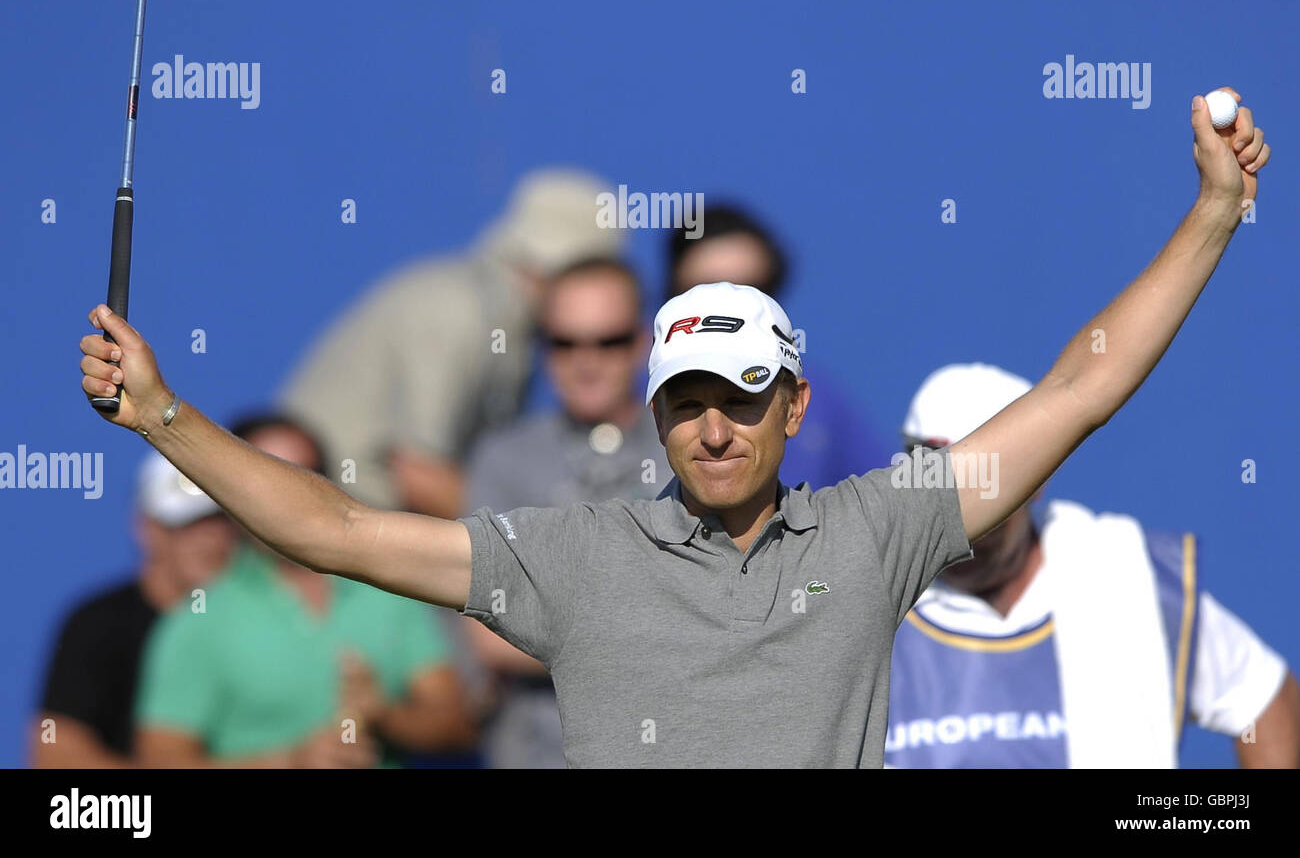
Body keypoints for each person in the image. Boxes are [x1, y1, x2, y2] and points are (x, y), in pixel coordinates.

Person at [79, 91, 1271, 767]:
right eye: (688, 400)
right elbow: (337, 525)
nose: (713, 426)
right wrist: (161, 414)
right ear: (656, 418)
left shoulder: (870, 532)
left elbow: (1079, 388)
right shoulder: (577, 557)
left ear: (794, 407)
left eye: (742, 396)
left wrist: (1214, 213)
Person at [885, 363, 1300, 769]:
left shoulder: (1128, 578)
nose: (955, 500)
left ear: (1037, 477)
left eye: (981, 476)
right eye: (931, 469)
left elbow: (1260, 696)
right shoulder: (860, 601)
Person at [133, 414, 477, 768]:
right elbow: (162, 761)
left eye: (305, 477)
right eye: (268, 481)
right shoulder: (198, 620)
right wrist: (290, 762)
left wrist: (388, 717)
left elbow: (458, 725)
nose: (290, 501)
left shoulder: (389, 589)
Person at [279, 168, 624, 519]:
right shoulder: (454, 308)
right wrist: (542, 547)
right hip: (322, 529)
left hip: (360, 526)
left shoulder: (509, 326)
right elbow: (417, 473)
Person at [464, 256, 671, 768]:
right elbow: (487, 634)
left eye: (609, 340)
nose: (586, 361)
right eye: (564, 342)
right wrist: (649, 633)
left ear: (643, 341)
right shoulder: (503, 459)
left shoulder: (690, 449)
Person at [30, 452, 235, 768]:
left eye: (219, 522)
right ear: (147, 528)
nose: (209, 540)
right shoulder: (97, 623)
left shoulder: (263, 621)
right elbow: (56, 753)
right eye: (186, 525)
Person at [667, 202, 893, 485]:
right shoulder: (630, 387)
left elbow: (890, 510)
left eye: (751, 290)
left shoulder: (821, 399)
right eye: (707, 291)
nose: (730, 309)